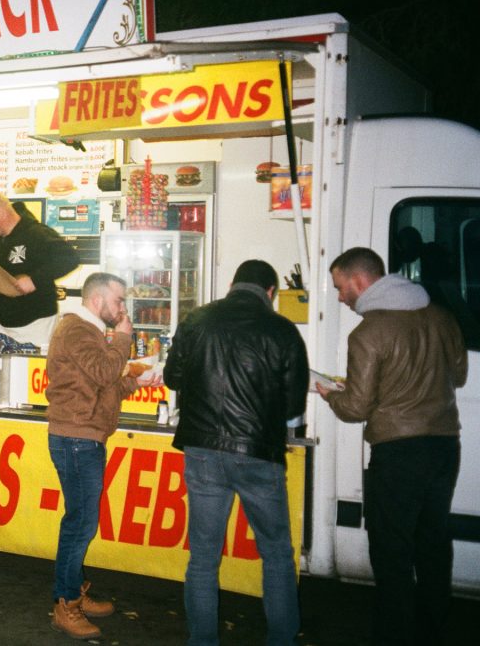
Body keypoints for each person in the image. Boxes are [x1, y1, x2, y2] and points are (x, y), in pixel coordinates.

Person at [317, 247, 467, 646]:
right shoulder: (441, 316)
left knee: (392, 552)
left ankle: (394, 636)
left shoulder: (367, 333)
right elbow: (460, 374)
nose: (339, 296)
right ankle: (433, 630)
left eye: (340, 287)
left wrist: (328, 393)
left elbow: (355, 408)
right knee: (433, 542)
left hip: (398, 453)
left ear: (360, 281)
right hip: (443, 447)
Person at [164, 259, 308, 646]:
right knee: (276, 553)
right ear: (271, 293)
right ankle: (281, 640)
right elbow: (294, 405)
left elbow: (172, 377)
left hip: (202, 449)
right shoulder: (283, 330)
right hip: (259, 452)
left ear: (231, 283)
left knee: (203, 557)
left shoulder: (196, 320)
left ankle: (203, 641)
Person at [45, 272, 162, 640]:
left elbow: (104, 384)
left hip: (81, 436)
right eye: (119, 301)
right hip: (77, 439)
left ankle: (74, 589)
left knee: (79, 519)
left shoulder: (86, 331)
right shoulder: (79, 330)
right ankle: (65, 604)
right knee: (80, 524)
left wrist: (136, 381)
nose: (123, 308)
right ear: (98, 301)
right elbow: (105, 370)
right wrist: (124, 336)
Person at [0, 192, 79, 348]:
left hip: (37, 325)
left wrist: (35, 280)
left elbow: (70, 258)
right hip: (0, 325)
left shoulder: (36, 233)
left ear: (0, 212)